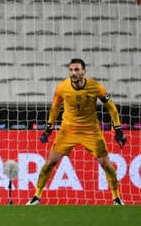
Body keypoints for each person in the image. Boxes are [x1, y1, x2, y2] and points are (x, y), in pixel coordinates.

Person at [26, 58, 127, 205]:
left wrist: (118, 129)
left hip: (90, 130)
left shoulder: (96, 87)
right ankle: (36, 196)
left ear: (84, 72)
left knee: (106, 164)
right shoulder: (62, 87)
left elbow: (111, 106)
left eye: (77, 70)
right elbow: (55, 108)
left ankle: (116, 198)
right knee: (49, 163)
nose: (73, 73)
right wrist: (49, 127)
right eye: (71, 70)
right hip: (68, 130)